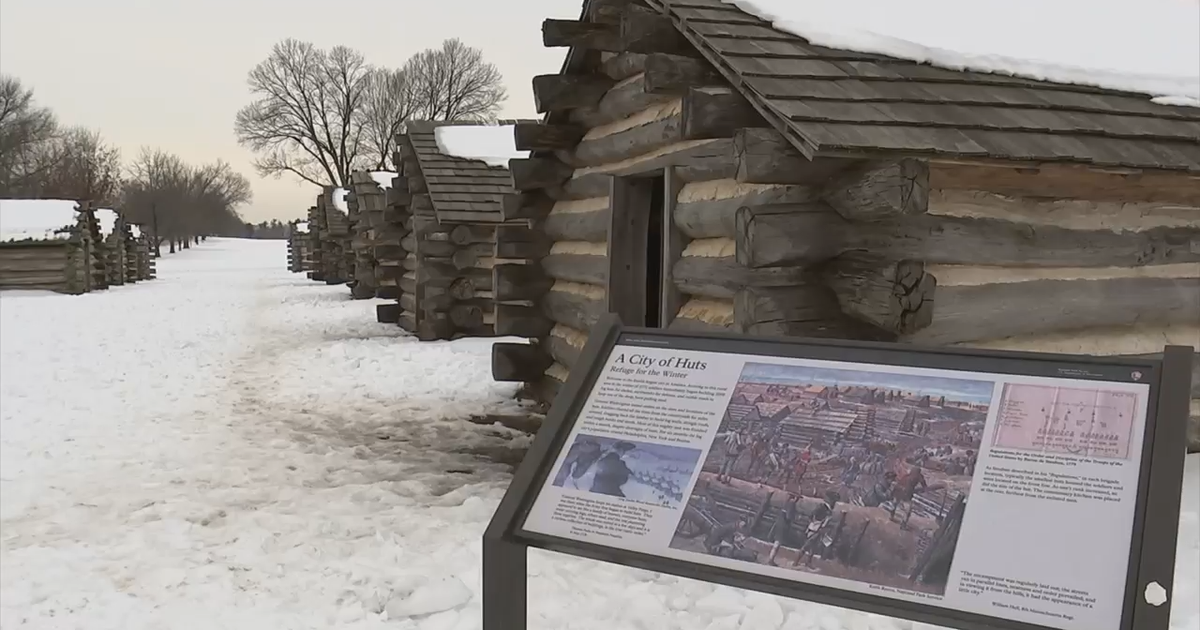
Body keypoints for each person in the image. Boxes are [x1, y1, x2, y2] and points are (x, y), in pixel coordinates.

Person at [794, 490, 839, 569]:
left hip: (818, 530)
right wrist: (815, 524)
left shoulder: (827, 509)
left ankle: (808, 562)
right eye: (833, 501)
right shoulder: (822, 507)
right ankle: (796, 562)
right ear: (830, 500)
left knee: (813, 547)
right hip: (815, 529)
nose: (834, 503)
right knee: (807, 545)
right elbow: (813, 515)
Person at [765, 494, 798, 566]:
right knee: (777, 543)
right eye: (797, 498)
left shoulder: (785, 503)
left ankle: (771, 559)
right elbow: (789, 516)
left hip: (779, 523)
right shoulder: (792, 504)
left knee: (776, 542)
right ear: (794, 498)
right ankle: (771, 559)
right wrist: (795, 518)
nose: (797, 500)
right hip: (783, 525)